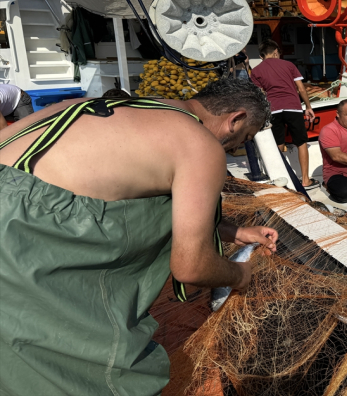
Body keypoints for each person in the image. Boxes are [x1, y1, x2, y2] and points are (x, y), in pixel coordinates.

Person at [0, 79, 278, 395]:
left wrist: (236, 231)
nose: (235, 147)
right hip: (22, 262)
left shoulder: (98, 107)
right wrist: (241, 275)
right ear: (236, 119)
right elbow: (191, 267)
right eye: (244, 138)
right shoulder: (199, 144)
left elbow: (94, 184)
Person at [250, 39, 319, 189]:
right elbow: (301, 89)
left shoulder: (255, 71)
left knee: (278, 144)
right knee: (301, 142)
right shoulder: (289, 65)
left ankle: (280, 179)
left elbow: (260, 94)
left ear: (262, 56)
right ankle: (306, 180)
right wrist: (308, 106)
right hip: (293, 107)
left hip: (273, 109)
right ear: (275, 52)